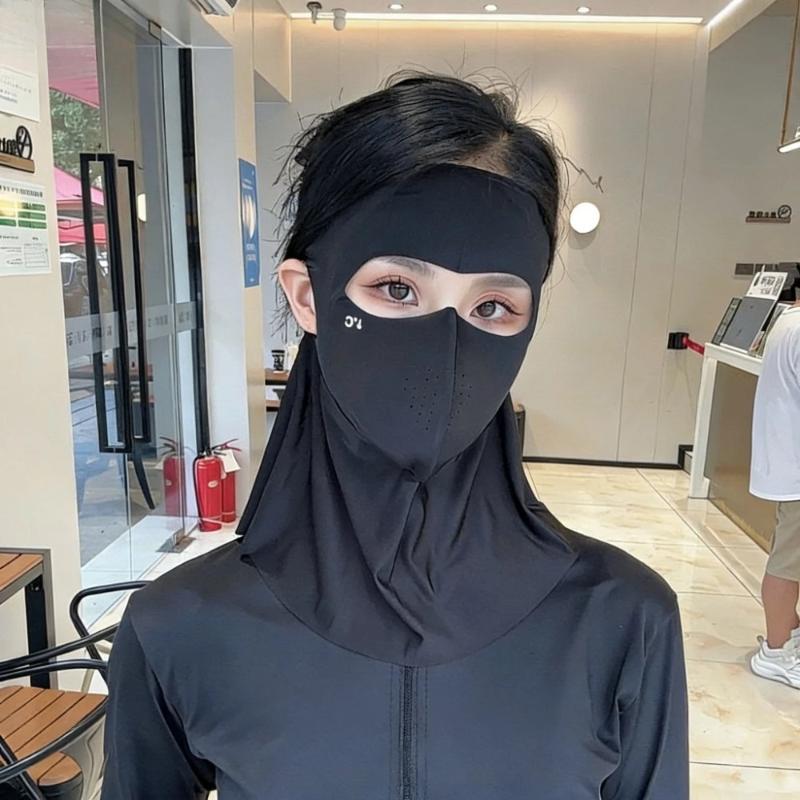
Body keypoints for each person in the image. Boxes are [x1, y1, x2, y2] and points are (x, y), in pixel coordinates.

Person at [101, 72, 689, 799]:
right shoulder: (181, 627)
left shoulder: (623, 620)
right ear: (309, 296)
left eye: (493, 306)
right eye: (397, 289)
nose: (447, 344)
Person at [750, 276, 800, 689]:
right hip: (796, 471)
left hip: (787, 465)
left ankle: (788, 638)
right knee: (788, 563)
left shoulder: (787, 320)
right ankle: (777, 652)